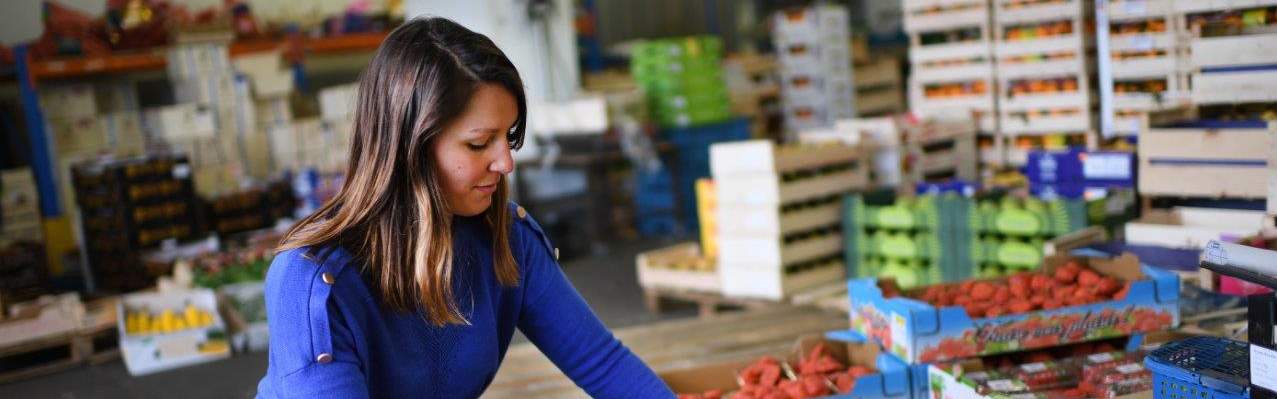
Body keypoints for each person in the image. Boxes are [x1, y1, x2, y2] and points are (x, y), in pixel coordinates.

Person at [255, 17, 675, 399]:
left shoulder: (507, 241)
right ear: (410, 147)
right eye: (478, 143)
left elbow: (604, 365)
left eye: (507, 137)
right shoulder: (312, 282)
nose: (506, 162)